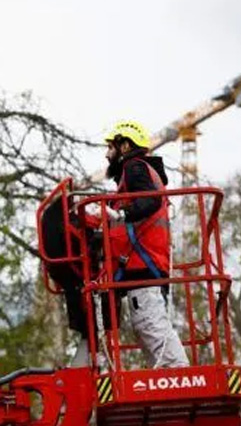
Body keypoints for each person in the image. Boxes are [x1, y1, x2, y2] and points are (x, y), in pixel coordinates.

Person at [100, 120, 189, 368]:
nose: (107, 154)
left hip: (144, 262)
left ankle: (180, 378)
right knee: (146, 325)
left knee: (150, 324)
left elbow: (150, 202)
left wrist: (122, 215)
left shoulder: (134, 168)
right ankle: (167, 379)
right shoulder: (138, 172)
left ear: (125, 146)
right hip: (147, 261)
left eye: (111, 147)